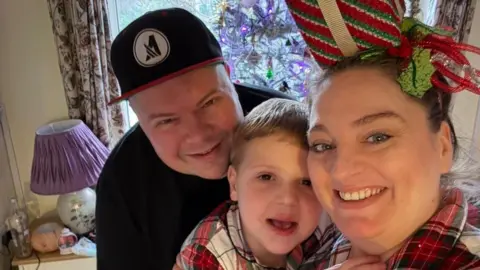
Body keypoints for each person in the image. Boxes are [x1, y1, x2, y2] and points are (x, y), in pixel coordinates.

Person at [95, 8, 293, 270]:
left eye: (209, 102)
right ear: (137, 117)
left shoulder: (290, 125)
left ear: (229, 75)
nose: (199, 134)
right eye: (167, 120)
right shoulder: (121, 186)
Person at [295, 3, 480, 269]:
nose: (342, 171)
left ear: (442, 146)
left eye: (378, 137)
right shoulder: (319, 241)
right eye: (323, 145)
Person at [175, 98, 323, 269]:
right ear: (234, 184)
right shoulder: (207, 254)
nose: (288, 199)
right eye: (266, 177)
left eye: (306, 182)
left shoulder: (325, 221)